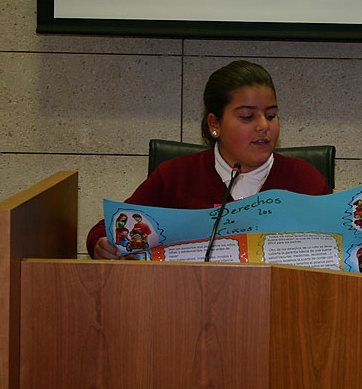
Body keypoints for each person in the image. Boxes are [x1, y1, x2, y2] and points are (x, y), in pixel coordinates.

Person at [87, 60, 333, 259]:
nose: (263, 126)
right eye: (247, 117)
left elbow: (340, 244)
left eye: (271, 115)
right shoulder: (176, 176)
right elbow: (108, 230)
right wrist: (102, 245)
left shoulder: (305, 179)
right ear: (215, 124)